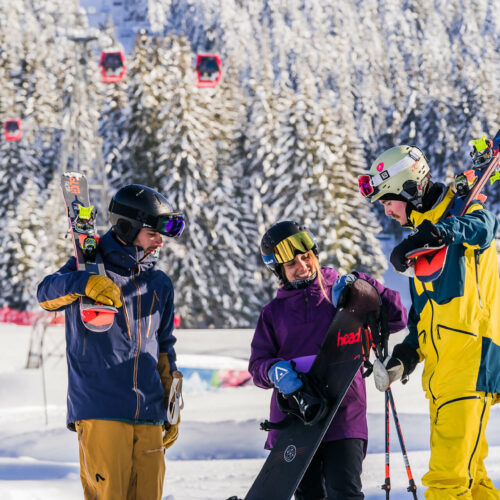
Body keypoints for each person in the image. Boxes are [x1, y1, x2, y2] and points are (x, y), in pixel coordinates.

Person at [358, 144, 500, 499]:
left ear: (408, 188)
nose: (387, 211)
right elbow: (423, 320)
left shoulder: (461, 210)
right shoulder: (419, 246)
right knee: (473, 479)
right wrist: (403, 359)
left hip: (471, 365)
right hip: (442, 378)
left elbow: (485, 228)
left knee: (446, 484)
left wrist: (441, 232)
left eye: (388, 201)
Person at [37, 184, 185, 500]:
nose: (159, 241)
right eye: (151, 233)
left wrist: (170, 403)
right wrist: (83, 283)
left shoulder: (158, 283)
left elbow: (164, 345)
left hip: (148, 413)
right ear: (127, 228)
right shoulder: (88, 268)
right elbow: (46, 294)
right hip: (100, 407)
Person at [249, 220, 408, 500]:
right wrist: (274, 371)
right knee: (309, 496)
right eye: (291, 264)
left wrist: (363, 286)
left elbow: (396, 318)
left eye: (306, 257)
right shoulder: (273, 313)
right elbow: (257, 365)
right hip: (298, 418)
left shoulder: (344, 294)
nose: (302, 266)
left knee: (344, 492)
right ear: (279, 271)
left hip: (344, 413)